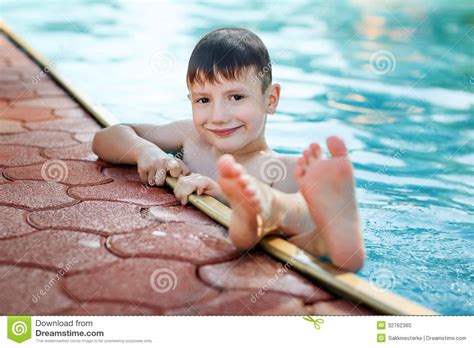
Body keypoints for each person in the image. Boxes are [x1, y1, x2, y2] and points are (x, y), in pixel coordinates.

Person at [93, 28, 365, 271]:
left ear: (270, 99)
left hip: (284, 224)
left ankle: (304, 221)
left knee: (301, 212)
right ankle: (283, 222)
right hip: (247, 235)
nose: (219, 115)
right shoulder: (190, 136)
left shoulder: (281, 167)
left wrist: (224, 193)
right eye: (203, 100)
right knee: (282, 231)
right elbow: (106, 138)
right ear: (190, 100)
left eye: (236, 97)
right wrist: (146, 152)